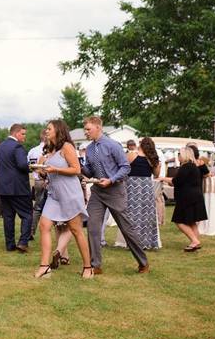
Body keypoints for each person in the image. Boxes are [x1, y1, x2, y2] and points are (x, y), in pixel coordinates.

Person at [82, 116, 150, 273]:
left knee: (126, 228)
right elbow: (90, 171)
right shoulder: (90, 149)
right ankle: (95, 265)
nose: (86, 132)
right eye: (85, 129)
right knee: (92, 227)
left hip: (115, 190)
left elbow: (125, 167)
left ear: (98, 127)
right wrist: (78, 166)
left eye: (88, 129)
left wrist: (111, 180)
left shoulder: (113, 145)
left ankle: (143, 262)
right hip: (98, 191)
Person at [33, 120, 93, 279]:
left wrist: (55, 169)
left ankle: (88, 267)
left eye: (49, 128)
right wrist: (43, 172)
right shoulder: (50, 150)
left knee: (76, 230)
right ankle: (45, 266)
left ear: (58, 130)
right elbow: (50, 172)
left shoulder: (67, 146)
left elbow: (76, 169)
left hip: (69, 194)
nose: (46, 131)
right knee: (44, 225)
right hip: (54, 195)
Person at [161, 145, 207, 251]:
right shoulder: (193, 166)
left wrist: (163, 178)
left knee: (179, 220)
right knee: (191, 221)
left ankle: (195, 241)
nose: (178, 157)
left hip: (187, 197)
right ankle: (195, 242)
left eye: (179, 154)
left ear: (185, 155)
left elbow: (176, 181)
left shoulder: (186, 167)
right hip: (195, 196)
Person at [119, 137, 161, 250]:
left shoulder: (133, 155)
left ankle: (133, 243)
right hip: (146, 187)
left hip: (132, 186)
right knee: (146, 215)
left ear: (141, 145)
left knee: (132, 214)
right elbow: (156, 174)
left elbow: (123, 169)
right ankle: (146, 242)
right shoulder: (152, 159)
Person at [0, 124, 33, 253]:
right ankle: (23, 242)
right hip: (18, 188)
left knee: (8, 217)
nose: (24, 136)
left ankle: (10, 244)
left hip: (4, 187)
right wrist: (32, 166)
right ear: (16, 133)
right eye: (23, 134)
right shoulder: (17, 146)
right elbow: (22, 165)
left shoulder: (1, 147)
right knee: (27, 215)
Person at [28, 130, 47, 239]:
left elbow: (29, 166)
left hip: (36, 181)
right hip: (45, 180)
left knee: (37, 207)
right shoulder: (51, 150)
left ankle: (31, 231)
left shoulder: (32, 151)